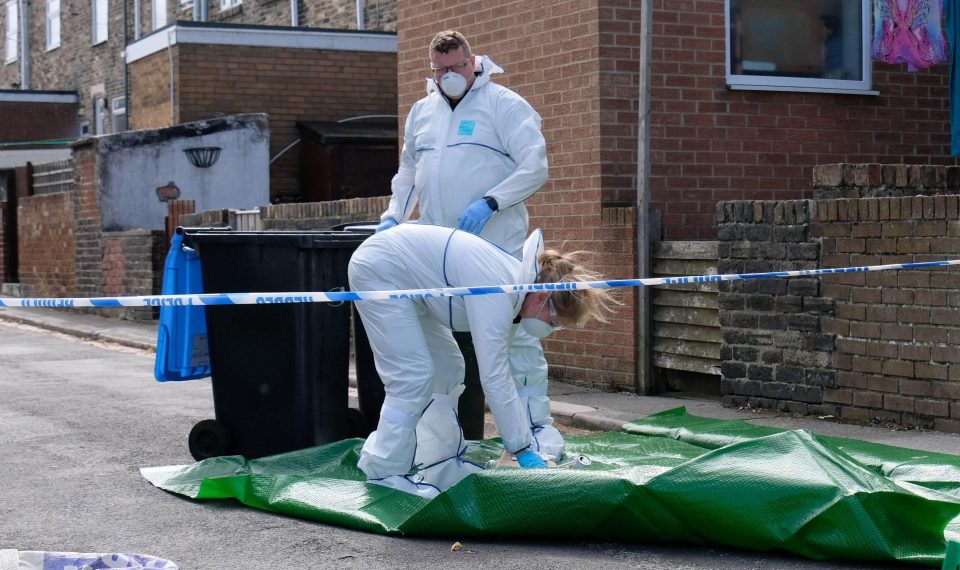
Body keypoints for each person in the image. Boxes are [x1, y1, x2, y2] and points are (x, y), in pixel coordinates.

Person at [376, 29, 564, 460]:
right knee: (436, 348)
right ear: (433, 70)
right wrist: (393, 218)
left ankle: (538, 436)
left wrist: (491, 202)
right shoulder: (421, 113)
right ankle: (440, 445)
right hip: (437, 253)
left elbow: (534, 166)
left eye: (458, 66)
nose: (450, 76)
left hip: (496, 247)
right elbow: (408, 174)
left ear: (474, 61)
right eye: (441, 69)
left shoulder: (504, 105)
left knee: (514, 344)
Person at [348, 224, 616, 498]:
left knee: (450, 367)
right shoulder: (501, 292)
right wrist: (523, 450)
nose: (552, 329)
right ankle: (384, 472)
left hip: (407, 278)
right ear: (540, 297)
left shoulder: (516, 293)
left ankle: (437, 461)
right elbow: (495, 376)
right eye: (556, 321)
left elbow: (513, 366)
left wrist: (528, 437)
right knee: (412, 376)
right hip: (380, 269)